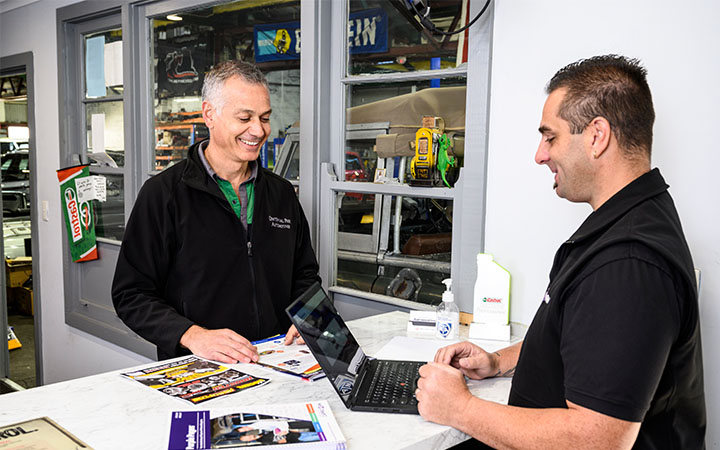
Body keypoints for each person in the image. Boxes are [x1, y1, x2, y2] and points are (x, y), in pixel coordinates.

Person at [416, 55, 706, 449]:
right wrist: (499, 362)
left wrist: (459, 409)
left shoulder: (629, 262)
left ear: (596, 135)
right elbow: (583, 339)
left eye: (550, 137)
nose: (540, 155)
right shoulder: (626, 224)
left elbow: (599, 440)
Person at [112, 60, 319, 363]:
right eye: (244, 117)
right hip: (199, 367)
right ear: (209, 114)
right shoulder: (163, 195)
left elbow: (304, 275)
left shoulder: (282, 194)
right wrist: (192, 335)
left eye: (264, 118)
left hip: (277, 361)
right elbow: (131, 295)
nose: (258, 130)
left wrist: (308, 318)